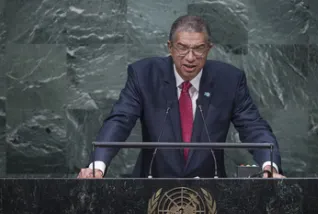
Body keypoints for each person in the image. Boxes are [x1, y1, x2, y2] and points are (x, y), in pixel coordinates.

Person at [78, 15, 285, 179]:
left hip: (211, 193)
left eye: (198, 49)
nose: (190, 57)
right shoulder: (144, 75)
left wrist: (269, 166)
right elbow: (119, 121)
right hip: (150, 189)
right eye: (182, 48)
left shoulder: (229, 80)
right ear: (170, 47)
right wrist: (98, 166)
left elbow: (254, 127)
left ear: (209, 48)